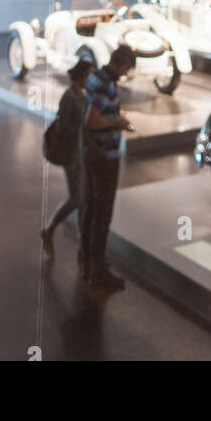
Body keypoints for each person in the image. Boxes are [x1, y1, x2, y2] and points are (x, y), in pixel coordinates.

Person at [79, 44, 136, 290]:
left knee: (91, 207)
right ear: (122, 64)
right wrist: (118, 122)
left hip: (93, 154)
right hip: (104, 156)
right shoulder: (105, 83)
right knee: (102, 212)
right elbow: (93, 119)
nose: (126, 73)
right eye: (127, 69)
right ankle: (98, 269)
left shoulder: (95, 77)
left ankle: (87, 259)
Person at [42, 58, 93, 262]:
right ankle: (50, 229)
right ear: (82, 76)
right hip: (72, 155)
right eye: (89, 74)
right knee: (77, 197)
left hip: (79, 153)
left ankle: (82, 239)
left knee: (82, 197)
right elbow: (64, 127)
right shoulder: (70, 98)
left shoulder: (81, 95)